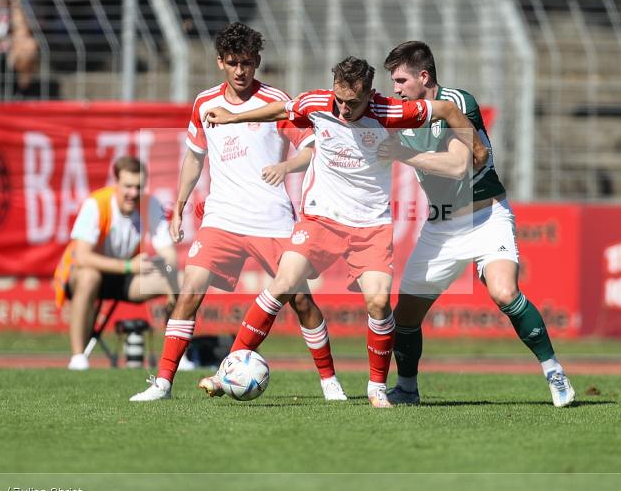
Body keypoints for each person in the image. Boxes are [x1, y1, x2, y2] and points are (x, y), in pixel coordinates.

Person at [200, 56, 484, 407]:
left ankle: (377, 387)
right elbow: (279, 111)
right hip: (321, 218)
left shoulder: (391, 111)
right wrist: (233, 117)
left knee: (379, 302)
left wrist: (475, 145)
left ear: (370, 94)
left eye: (353, 102)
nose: (344, 109)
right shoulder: (317, 103)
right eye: (340, 99)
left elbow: (446, 111)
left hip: (370, 225)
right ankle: (227, 368)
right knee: (283, 284)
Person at [129, 22, 347, 402]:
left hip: (273, 219)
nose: (241, 71)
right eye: (233, 63)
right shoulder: (204, 103)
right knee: (188, 293)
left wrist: (286, 167)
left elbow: (313, 149)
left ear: (258, 61)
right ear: (220, 62)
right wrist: (179, 207)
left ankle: (330, 381)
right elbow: (194, 159)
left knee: (300, 300)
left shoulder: (277, 101)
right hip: (222, 219)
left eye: (247, 62)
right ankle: (162, 383)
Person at [379, 40, 575, 407]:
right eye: (394, 82)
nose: (396, 88)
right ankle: (407, 388)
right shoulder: (400, 114)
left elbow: (458, 165)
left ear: (424, 77)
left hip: (486, 217)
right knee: (404, 316)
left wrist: (403, 154)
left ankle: (554, 371)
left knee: (504, 292)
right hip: (440, 227)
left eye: (402, 80)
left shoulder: (458, 102)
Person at [54, 156, 180, 371]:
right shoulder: (96, 204)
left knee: (181, 281)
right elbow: (82, 257)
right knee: (90, 276)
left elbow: (169, 254)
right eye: (128, 186)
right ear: (115, 183)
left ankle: (177, 357)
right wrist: (129, 267)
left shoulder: (150, 205)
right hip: (84, 275)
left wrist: (170, 280)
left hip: (124, 279)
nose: (133, 193)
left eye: (139, 187)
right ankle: (78, 358)